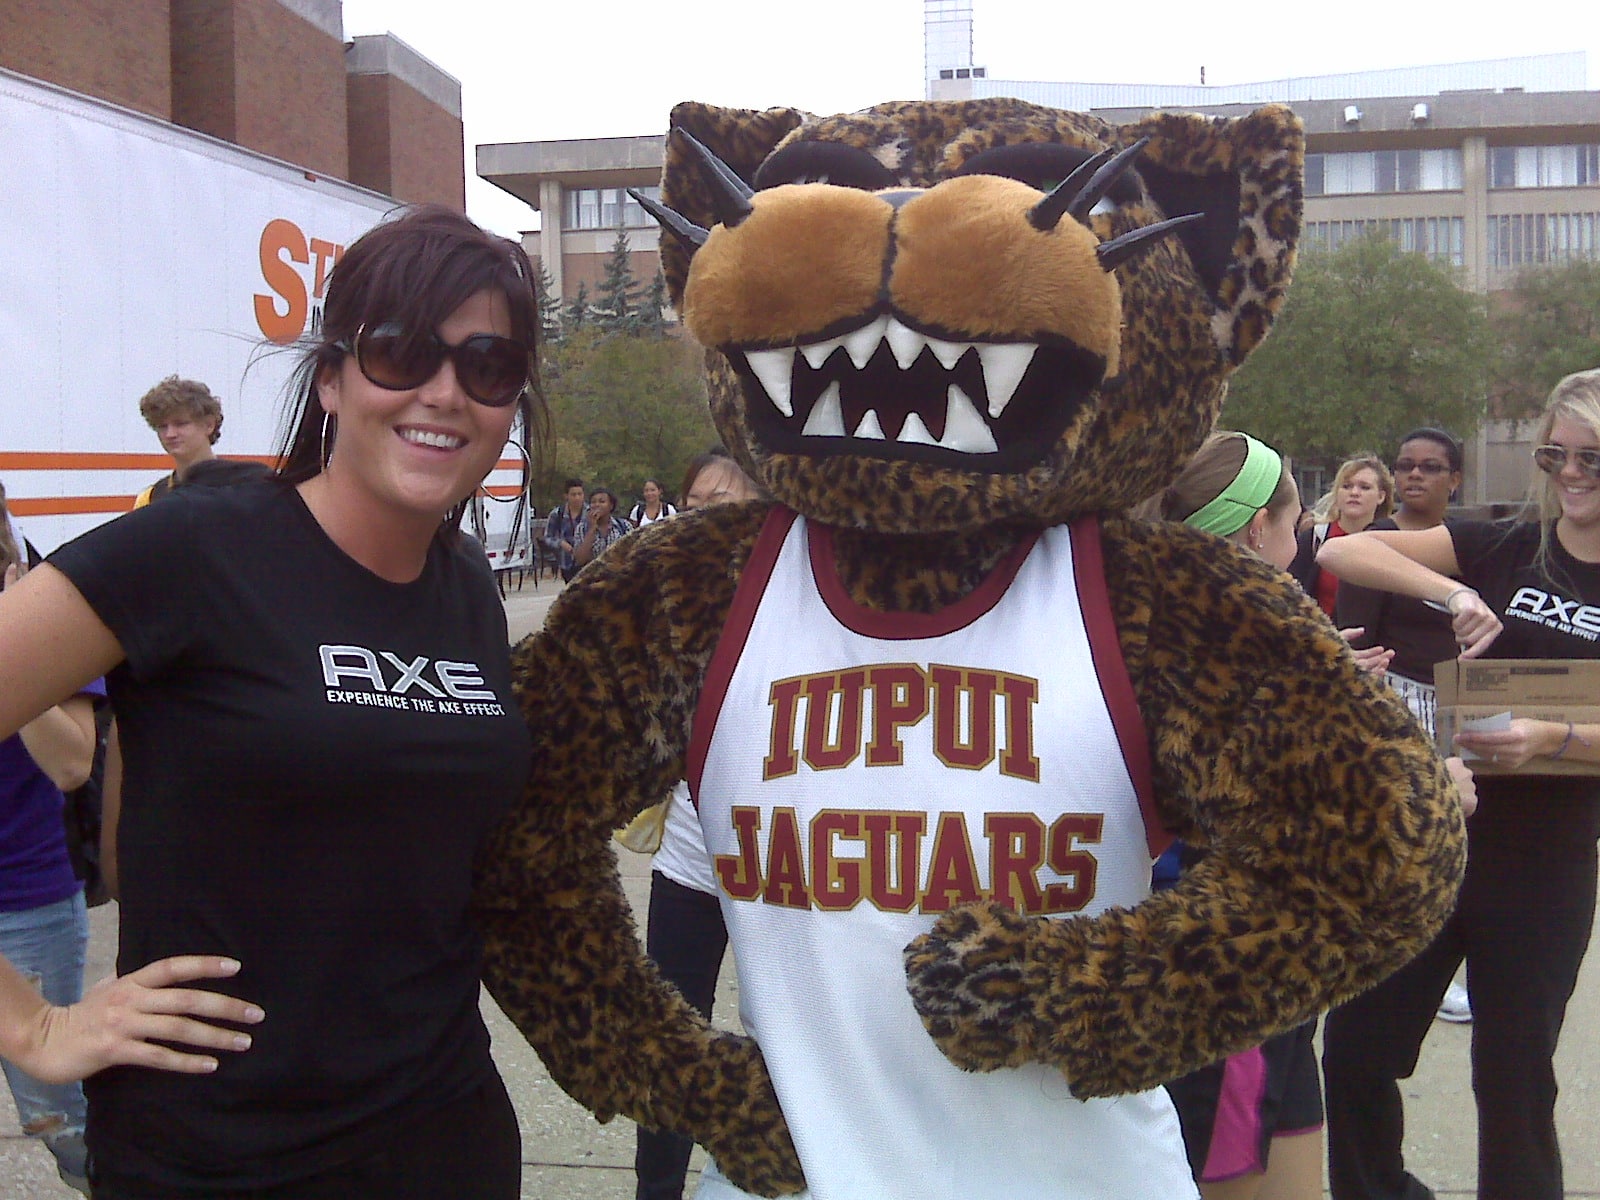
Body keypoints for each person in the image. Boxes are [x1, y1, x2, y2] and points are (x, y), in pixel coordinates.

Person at [0, 205, 542, 1198]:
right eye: (400, 353)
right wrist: (33, 1022)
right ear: (331, 379)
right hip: (217, 1157)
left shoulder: (465, 586)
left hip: (443, 1135)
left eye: (487, 366)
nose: (444, 392)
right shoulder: (195, 548)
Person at [1317, 368, 1600, 1200]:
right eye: (1557, 454)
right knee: (1358, 1053)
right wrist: (1453, 591)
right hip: (1435, 840)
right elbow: (1340, 547)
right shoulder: (1507, 540)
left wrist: (1554, 738)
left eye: (1594, 457)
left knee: (1514, 1083)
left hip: (1545, 864)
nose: (1571, 475)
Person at [632, 450, 762, 1200]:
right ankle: (658, 1188)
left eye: (717, 502)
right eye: (690, 503)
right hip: (689, 863)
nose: (697, 516)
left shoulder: (799, 597)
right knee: (670, 1036)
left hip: (784, 872)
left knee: (780, 1036)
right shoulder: (669, 596)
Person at [1335, 429, 1472, 1023]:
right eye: (1406, 466)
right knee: (1403, 840)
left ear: (1455, 480)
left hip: (1463, 705)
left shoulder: (1471, 542)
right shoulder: (1377, 544)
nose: (1416, 476)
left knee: (1457, 838)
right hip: (1399, 701)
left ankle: (1441, 962)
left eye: (1431, 467)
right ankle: (1397, 967)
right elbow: (1357, 636)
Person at [132, 377, 269, 506]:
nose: (170, 434)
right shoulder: (150, 498)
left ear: (209, 425)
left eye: (180, 424)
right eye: (162, 426)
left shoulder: (247, 484)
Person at [1289, 454, 1394, 617]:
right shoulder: (1314, 539)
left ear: (1381, 496)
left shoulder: (1392, 541)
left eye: (1364, 487)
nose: (1354, 492)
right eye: (1346, 486)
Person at [573, 486, 632, 567]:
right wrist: (592, 529)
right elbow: (580, 560)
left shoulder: (624, 526)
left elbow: (632, 555)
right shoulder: (582, 528)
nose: (597, 505)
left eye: (602, 501)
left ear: (611, 505)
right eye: (593, 502)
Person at [545, 478, 587, 583]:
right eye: (573, 494)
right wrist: (560, 543)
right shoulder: (557, 514)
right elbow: (548, 537)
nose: (577, 498)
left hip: (587, 562)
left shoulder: (590, 513)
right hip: (567, 562)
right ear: (566, 496)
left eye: (579, 494)